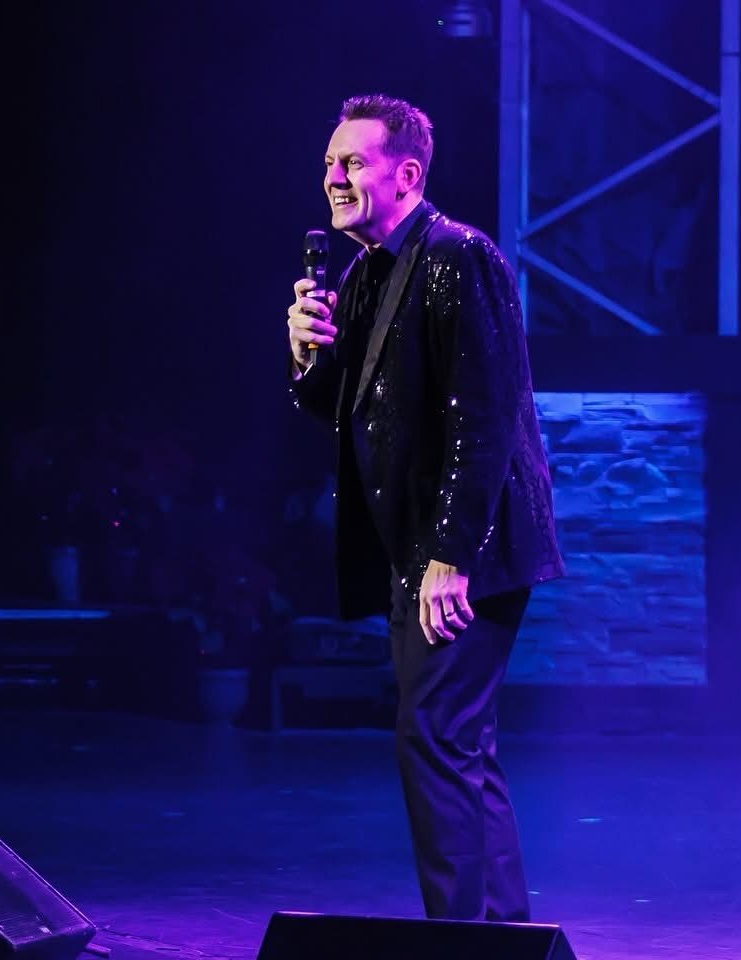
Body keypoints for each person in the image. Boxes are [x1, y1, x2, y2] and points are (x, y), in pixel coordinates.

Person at [285, 94, 564, 922]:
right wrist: (303, 353)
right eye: (330, 162)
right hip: (421, 552)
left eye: (353, 163)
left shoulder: (456, 257)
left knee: (436, 739)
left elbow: (486, 413)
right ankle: (505, 937)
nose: (333, 177)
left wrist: (452, 557)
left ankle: (461, 941)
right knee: (459, 748)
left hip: (463, 552)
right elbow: (342, 404)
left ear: (406, 174)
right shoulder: (369, 270)